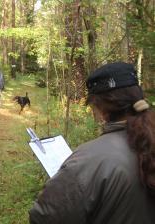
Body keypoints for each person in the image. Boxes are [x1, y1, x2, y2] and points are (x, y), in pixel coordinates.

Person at [29, 62, 155, 224]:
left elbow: (43, 217)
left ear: (100, 109)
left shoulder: (88, 161)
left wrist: (64, 179)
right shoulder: (147, 139)